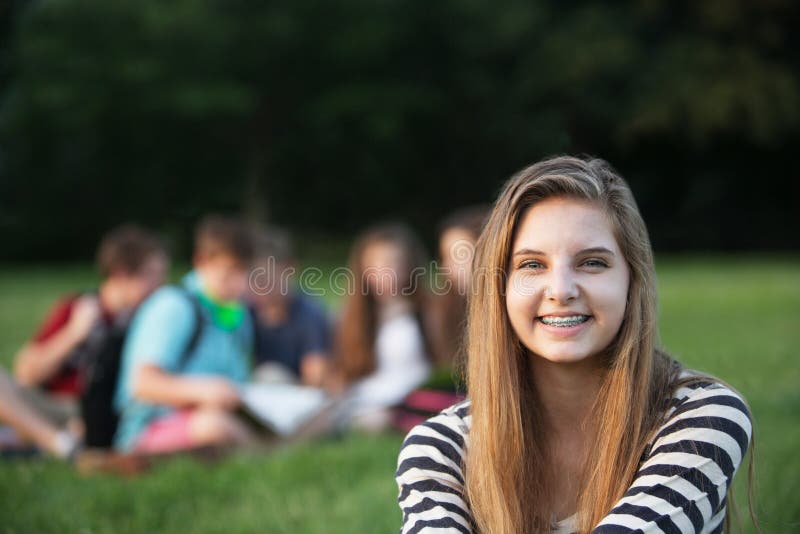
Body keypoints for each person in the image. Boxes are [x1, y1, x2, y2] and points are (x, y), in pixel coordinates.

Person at [396, 156, 753, 533]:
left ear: (632, 281)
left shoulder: (702, 417)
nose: (562, 290)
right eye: (532, 265)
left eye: (592, 263)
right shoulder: (440, 447)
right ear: (498, 288)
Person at [4, 224, 168, 455]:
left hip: (96, 416)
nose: (159, 286)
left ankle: (43, 441)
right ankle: (52, 441)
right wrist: (74, 333)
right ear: (121, 274)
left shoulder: (149, 321)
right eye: (151, 275)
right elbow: (26, 373)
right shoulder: (78, 307)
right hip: (51, 405)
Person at [113, 215, 257, 453]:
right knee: (214, 426)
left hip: (221, 416)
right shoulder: (173, 306)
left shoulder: (237, 313)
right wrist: (205, 390)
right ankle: (271, 450)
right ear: (201, 262)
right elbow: (142, 384)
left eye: (245, 273)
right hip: (152, 428)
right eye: (230, 272)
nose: (240, 285)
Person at [331, 223, 433, 430]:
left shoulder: (427, 312)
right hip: (367, 401)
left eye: (395, 263)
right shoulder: (352, 317)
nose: (387, 272)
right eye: (377, 264)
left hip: (416, 398)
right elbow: (346, 373)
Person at [249, 227, 331, 387]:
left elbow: (315, 377)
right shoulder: (242, 311)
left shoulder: (309, 313)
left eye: (265, 276)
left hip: (295, 395)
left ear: (289, 269)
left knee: (270, 376)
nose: (259, 285)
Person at [428, 205, 489, 367]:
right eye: (445, 256)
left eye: (459, 255)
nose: (448, 267)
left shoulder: (515, 308)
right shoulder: (447, 312)